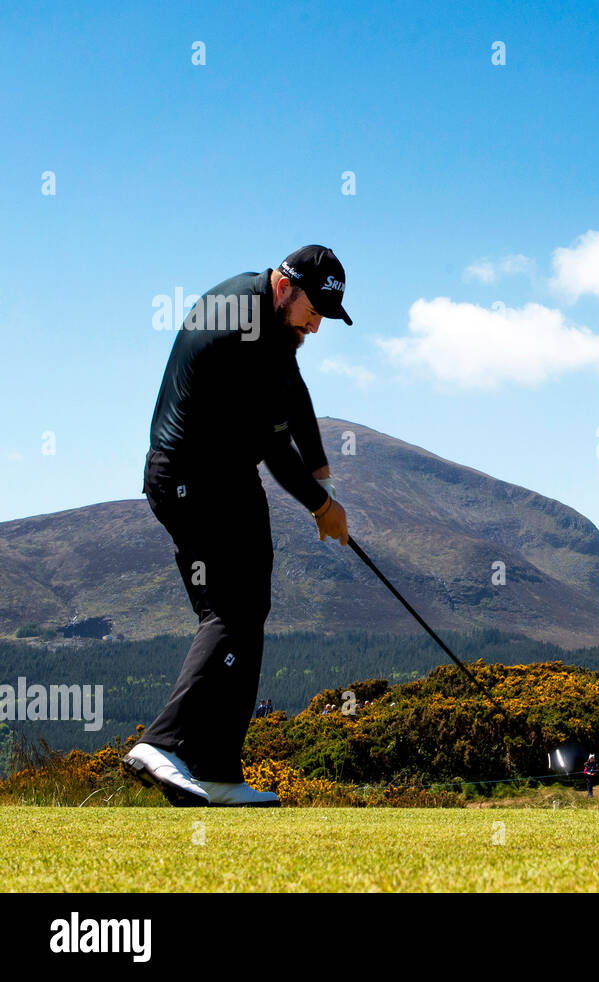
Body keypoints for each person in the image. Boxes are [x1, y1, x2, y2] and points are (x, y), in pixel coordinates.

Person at [122, 246, 353, 808]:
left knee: (248, 608)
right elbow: (274, 445)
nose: (315, 325)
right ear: (284, 285)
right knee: (231, 609)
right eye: (313, 311)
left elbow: (292, 390)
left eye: (325, 315)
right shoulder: (243, 326)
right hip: (191, 479)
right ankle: (165, 742)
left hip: (220, 475)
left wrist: (320, 462)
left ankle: (216, 767)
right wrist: (320, 505)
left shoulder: (269, 317)